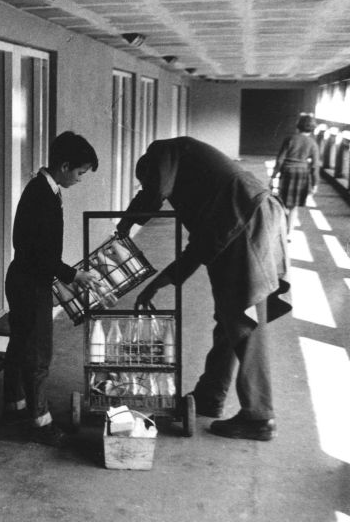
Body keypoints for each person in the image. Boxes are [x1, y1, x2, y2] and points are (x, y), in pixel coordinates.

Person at [116, 137, 291, 441]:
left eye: (144, 182)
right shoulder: (201, 187)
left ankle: (259, 416)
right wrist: (159, 282)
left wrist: (127, 222)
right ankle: (210, 396)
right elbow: (197, 249)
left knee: (244, 320)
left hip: (246, 220)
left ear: (150, 169)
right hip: (253, 216)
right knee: (228, 319)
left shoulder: (163, 150)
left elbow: (155, 192)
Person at [3, 131, 102, 446]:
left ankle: (14, 405)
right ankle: (40, 421)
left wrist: (58, 279)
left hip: (25, 278)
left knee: (20, 345)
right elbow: (39, 253)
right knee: (37, 353)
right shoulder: (42, 195)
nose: (80, 179)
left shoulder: (42, 189)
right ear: (64, 165)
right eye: (80, 173)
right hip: (30, 284)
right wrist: (73, 276)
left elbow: (36, 251)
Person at [272, 113, 320, 237]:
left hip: (287, 172)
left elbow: (280, 159)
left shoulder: (290, 139)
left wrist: (273, 176)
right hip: (302, 174)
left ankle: (281, 227)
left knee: (283, 200)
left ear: (298, 126)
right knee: (294, 205)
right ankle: (289, 233)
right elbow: (315, 165)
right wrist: (315, 183)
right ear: (312, 128)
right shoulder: (312, 143)